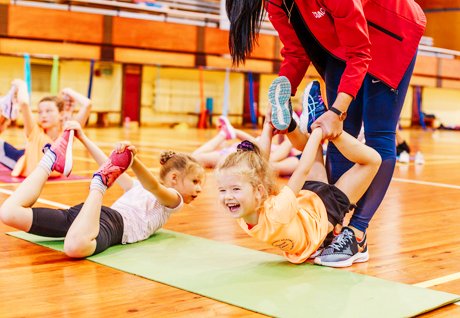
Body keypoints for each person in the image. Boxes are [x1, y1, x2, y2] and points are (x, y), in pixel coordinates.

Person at [225, 0, 426, 266]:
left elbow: (360, 52)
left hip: (389, 29)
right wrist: (279, 102)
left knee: (379, 133)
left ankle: (356, 234)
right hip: (343, 44)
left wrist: (337, 111)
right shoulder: (275, 2)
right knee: (335, 137)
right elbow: (296, 53)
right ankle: (336, 228)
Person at [215, 86, 381, 266]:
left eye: (235, 189)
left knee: (373, 161)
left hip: (325, 209)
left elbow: (302, 169)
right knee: (316, 149)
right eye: (222, 190)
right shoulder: (245, 210)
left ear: (258, 191)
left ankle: (322, 125)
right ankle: (294, 125)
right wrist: (268, 128)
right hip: (307, 203)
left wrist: (319, 132)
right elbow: (260, 166)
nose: (228, 196)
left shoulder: (272, 210)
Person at [0, 121, 205, 258]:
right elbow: (147, 183)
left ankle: (50, 159)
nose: (200, 188)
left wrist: (131, 160)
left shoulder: (163, 198)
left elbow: (145, 182)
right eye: (195, 181)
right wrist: (84, 137)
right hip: (112, 223)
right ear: (174, 178)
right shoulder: (173, 198)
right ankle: (90, 180)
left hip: (91, 216)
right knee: (73, 247)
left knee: (10, 213)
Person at [0, 79, 92, 177]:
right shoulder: (35, 131)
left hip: (32, 154)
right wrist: (21, 84)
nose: (43, 115)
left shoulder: (68, 134)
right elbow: (24, 104)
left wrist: (69, 91)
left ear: (61, 114)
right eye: (40, 112)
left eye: (48, 111)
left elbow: (88, 104)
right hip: (20, 160)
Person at [192, 115, 301, 176]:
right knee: (194, 158)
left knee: (195, 158)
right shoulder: (283, 146)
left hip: (242, 157)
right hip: (242, 153)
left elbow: (267, 160)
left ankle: (226, 133)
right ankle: (227, 133)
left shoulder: (290, 148)